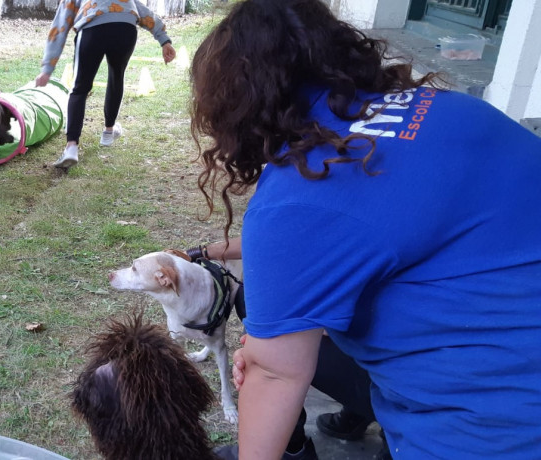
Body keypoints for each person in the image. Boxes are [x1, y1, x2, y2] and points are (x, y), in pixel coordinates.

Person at [188, 0, 541, 459]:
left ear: (237, 105)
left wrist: (268, 362)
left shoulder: (298, 196)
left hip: (495, 426)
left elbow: (275, 375)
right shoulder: (454, 109)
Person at [187, 239, 390, 460]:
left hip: (410, 376)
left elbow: (272, 242)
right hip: (389, 333)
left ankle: (293, 449)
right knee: (261, 316)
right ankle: (358, 412)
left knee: (273, 349)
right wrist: (201, 252)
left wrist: (310, 325)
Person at [35, 0, 176, 169]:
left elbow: (60, 26)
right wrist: (164, 40)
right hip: (125, 27)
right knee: (117, 76)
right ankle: (109, 132)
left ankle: (71, 147)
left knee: (80, 88)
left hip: (92, 28)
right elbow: (143, 11)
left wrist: (47, 69)